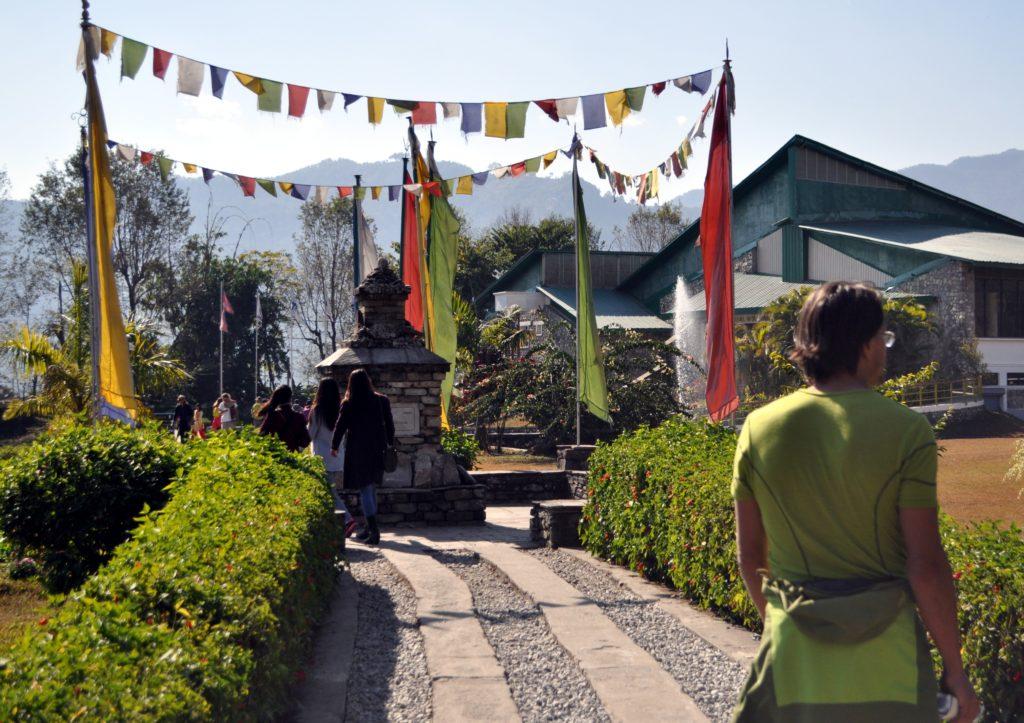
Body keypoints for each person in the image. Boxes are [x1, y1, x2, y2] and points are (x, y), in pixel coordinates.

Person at [731, 282, 980, 722]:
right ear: (866, 346)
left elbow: (750, 556)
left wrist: (783, 621)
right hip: (891, 660)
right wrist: (956, 672)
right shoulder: (906, 430)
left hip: (794, 656)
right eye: (883, 339)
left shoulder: (758, 427)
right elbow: (925, 565)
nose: (885, 350)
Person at [331, 369, 394, 546]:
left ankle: (374, 531)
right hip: (377, 449)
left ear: (351, 383)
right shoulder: (381, 400)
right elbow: (390, 424)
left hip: (358, 450)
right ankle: (369, 527)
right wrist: (389, 443)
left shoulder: (349, 403)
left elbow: (340, 426)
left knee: (365, 489)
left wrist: (334, 446)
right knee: (371, 488)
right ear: (368, 381)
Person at [308, 378, 357, 538]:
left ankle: (347, 520)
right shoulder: (340, 408)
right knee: (329, 490)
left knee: (329, 492)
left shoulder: (317, 411)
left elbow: (310, 434)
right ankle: (334, 522)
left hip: (321, 456)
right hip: (337, 456)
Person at [258, 385, 311, 453]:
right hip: (292, 458)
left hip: (274, 456)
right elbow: (306, 438)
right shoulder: (299, 417)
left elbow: (261, 435)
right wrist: (298, 449)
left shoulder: (272, 415)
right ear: (290, 397)